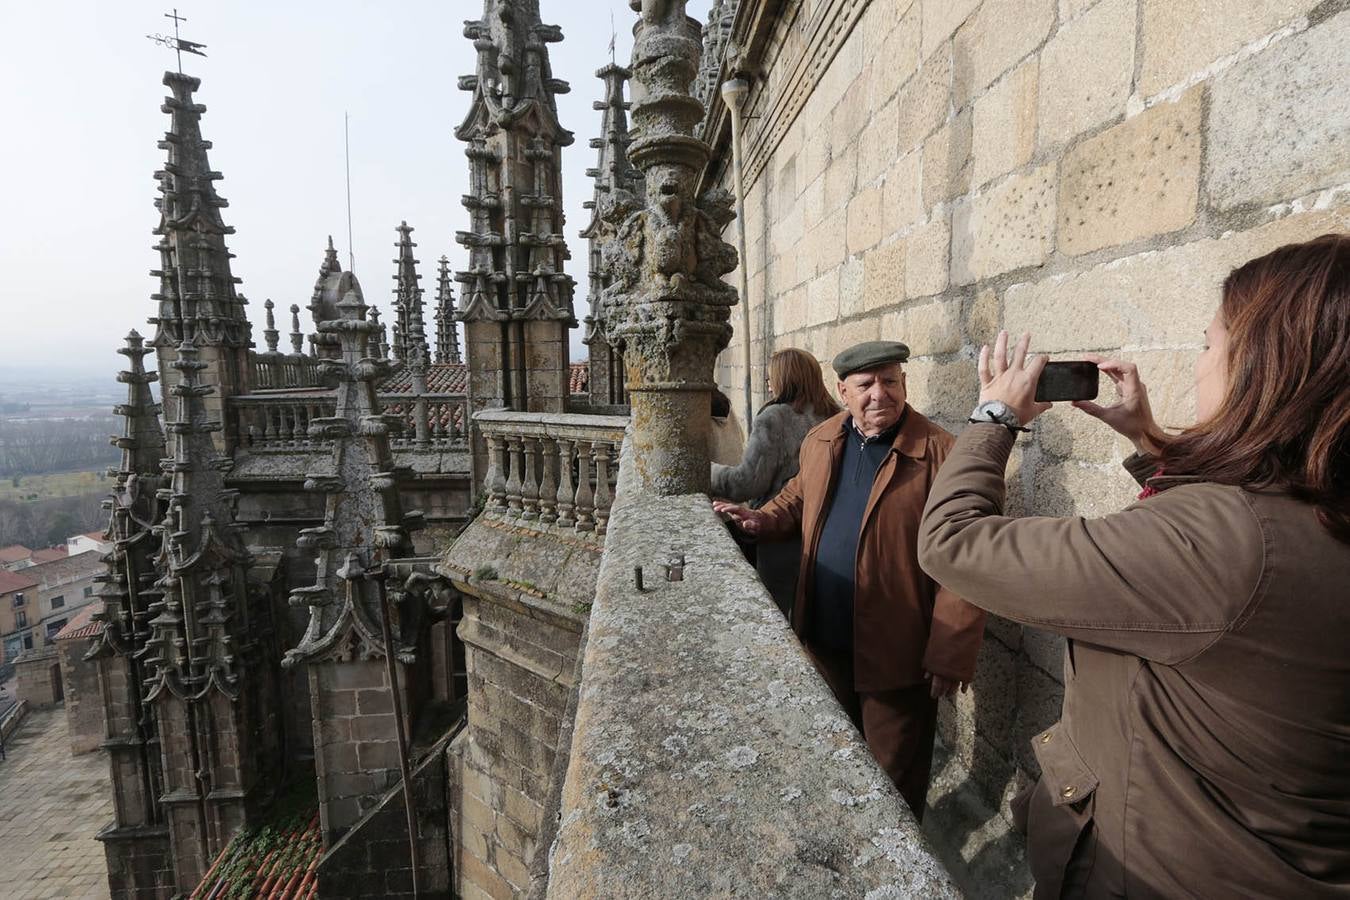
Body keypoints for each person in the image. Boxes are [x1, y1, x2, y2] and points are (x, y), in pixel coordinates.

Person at [917, 235, 1350, 898]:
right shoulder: (1314, 509)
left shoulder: (1228, 543)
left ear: (1267, 363)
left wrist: (995, 414)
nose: (1201, 367)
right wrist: (1149, 439)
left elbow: (952, 541)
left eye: (1209, 344)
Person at [715, 340, 986, 819]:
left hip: (895, 655)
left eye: (890, 381)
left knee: (892, 785)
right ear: (843, 391)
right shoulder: (822, 440)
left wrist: (950, 649)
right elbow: (799, 495)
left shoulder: (942, 453)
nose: (879, 394)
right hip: (824, 640)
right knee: (831, 762)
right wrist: (761, 520)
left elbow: (966, 558)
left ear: (905, 384)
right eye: (865, 384)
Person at [711, 348, 839, 617]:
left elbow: (746, 484)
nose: (769, 383)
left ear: (785, 379)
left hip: (779, 534)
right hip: (823, 533)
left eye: (772, 377)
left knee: (777, 617)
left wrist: (706, 470)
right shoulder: (836, 416)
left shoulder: (775, 418)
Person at [707, 388, 745, 467]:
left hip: (718, 475)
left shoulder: (700, 411)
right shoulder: (725, 403)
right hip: (737, 470)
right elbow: (742, 436)